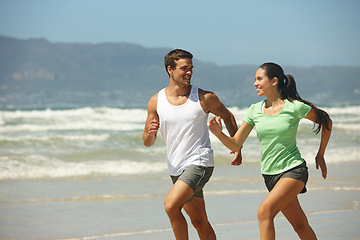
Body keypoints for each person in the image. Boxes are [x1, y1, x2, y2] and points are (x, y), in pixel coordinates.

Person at [208, 62, 332, 240]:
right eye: (255, 79)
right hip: (269, 175)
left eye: (259, 79)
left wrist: (320, 154)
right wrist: (219, 134)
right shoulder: (254, 110)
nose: (255, 83)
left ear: (274, 81)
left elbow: (326, 122)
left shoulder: (294, 107)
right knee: (300, 225)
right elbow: (235, 144)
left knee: (264, 212)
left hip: (293, 170)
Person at [142, 49, 241, 240]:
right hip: (176, 166)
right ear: (170, 69)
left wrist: (237, 146)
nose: (189, 72)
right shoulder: (156, 101)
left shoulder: (204, 98)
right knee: (199, 221)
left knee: (171, 205)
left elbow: (227, 116)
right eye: (184, 68)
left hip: (199, 161)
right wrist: (149, 132)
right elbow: (148, 142)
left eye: (191, 68)